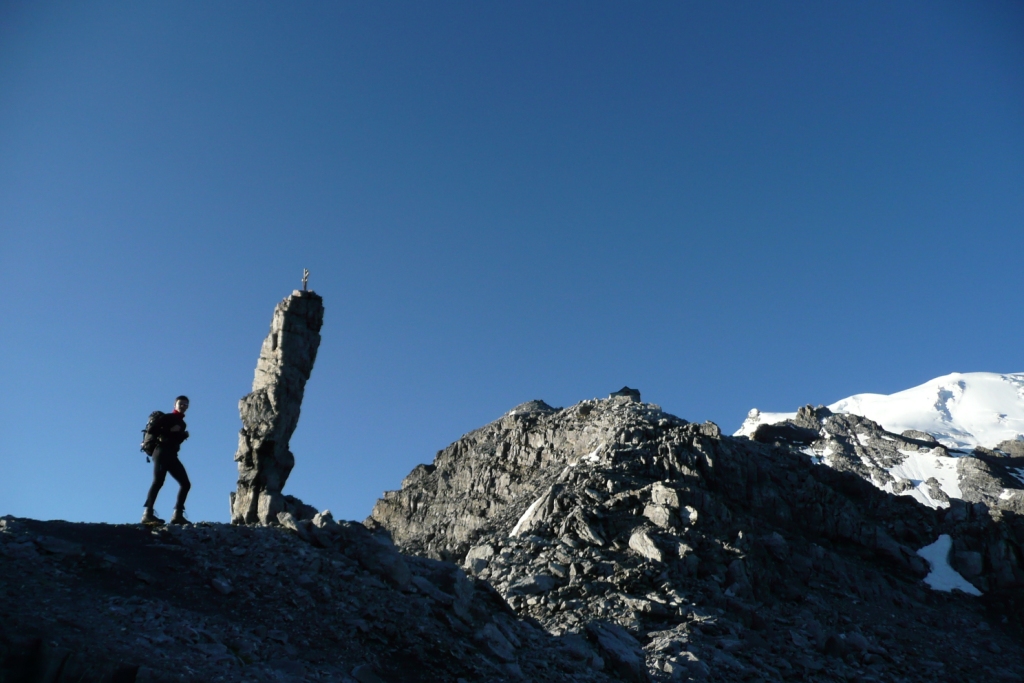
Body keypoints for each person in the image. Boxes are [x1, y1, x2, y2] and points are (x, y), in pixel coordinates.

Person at [141, 396, 192, 525]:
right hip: (161, 451)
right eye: (181, 403)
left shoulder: (182, 423)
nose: (183, 406)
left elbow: (174, 439)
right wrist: (169, 430)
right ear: (175, 404)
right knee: (158, 481)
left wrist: (182, 436)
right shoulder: (168, 417)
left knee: (185, 484)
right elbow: (152, 430)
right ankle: (147, 514)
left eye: (186, 404)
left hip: (172, 454)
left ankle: (177, 515)